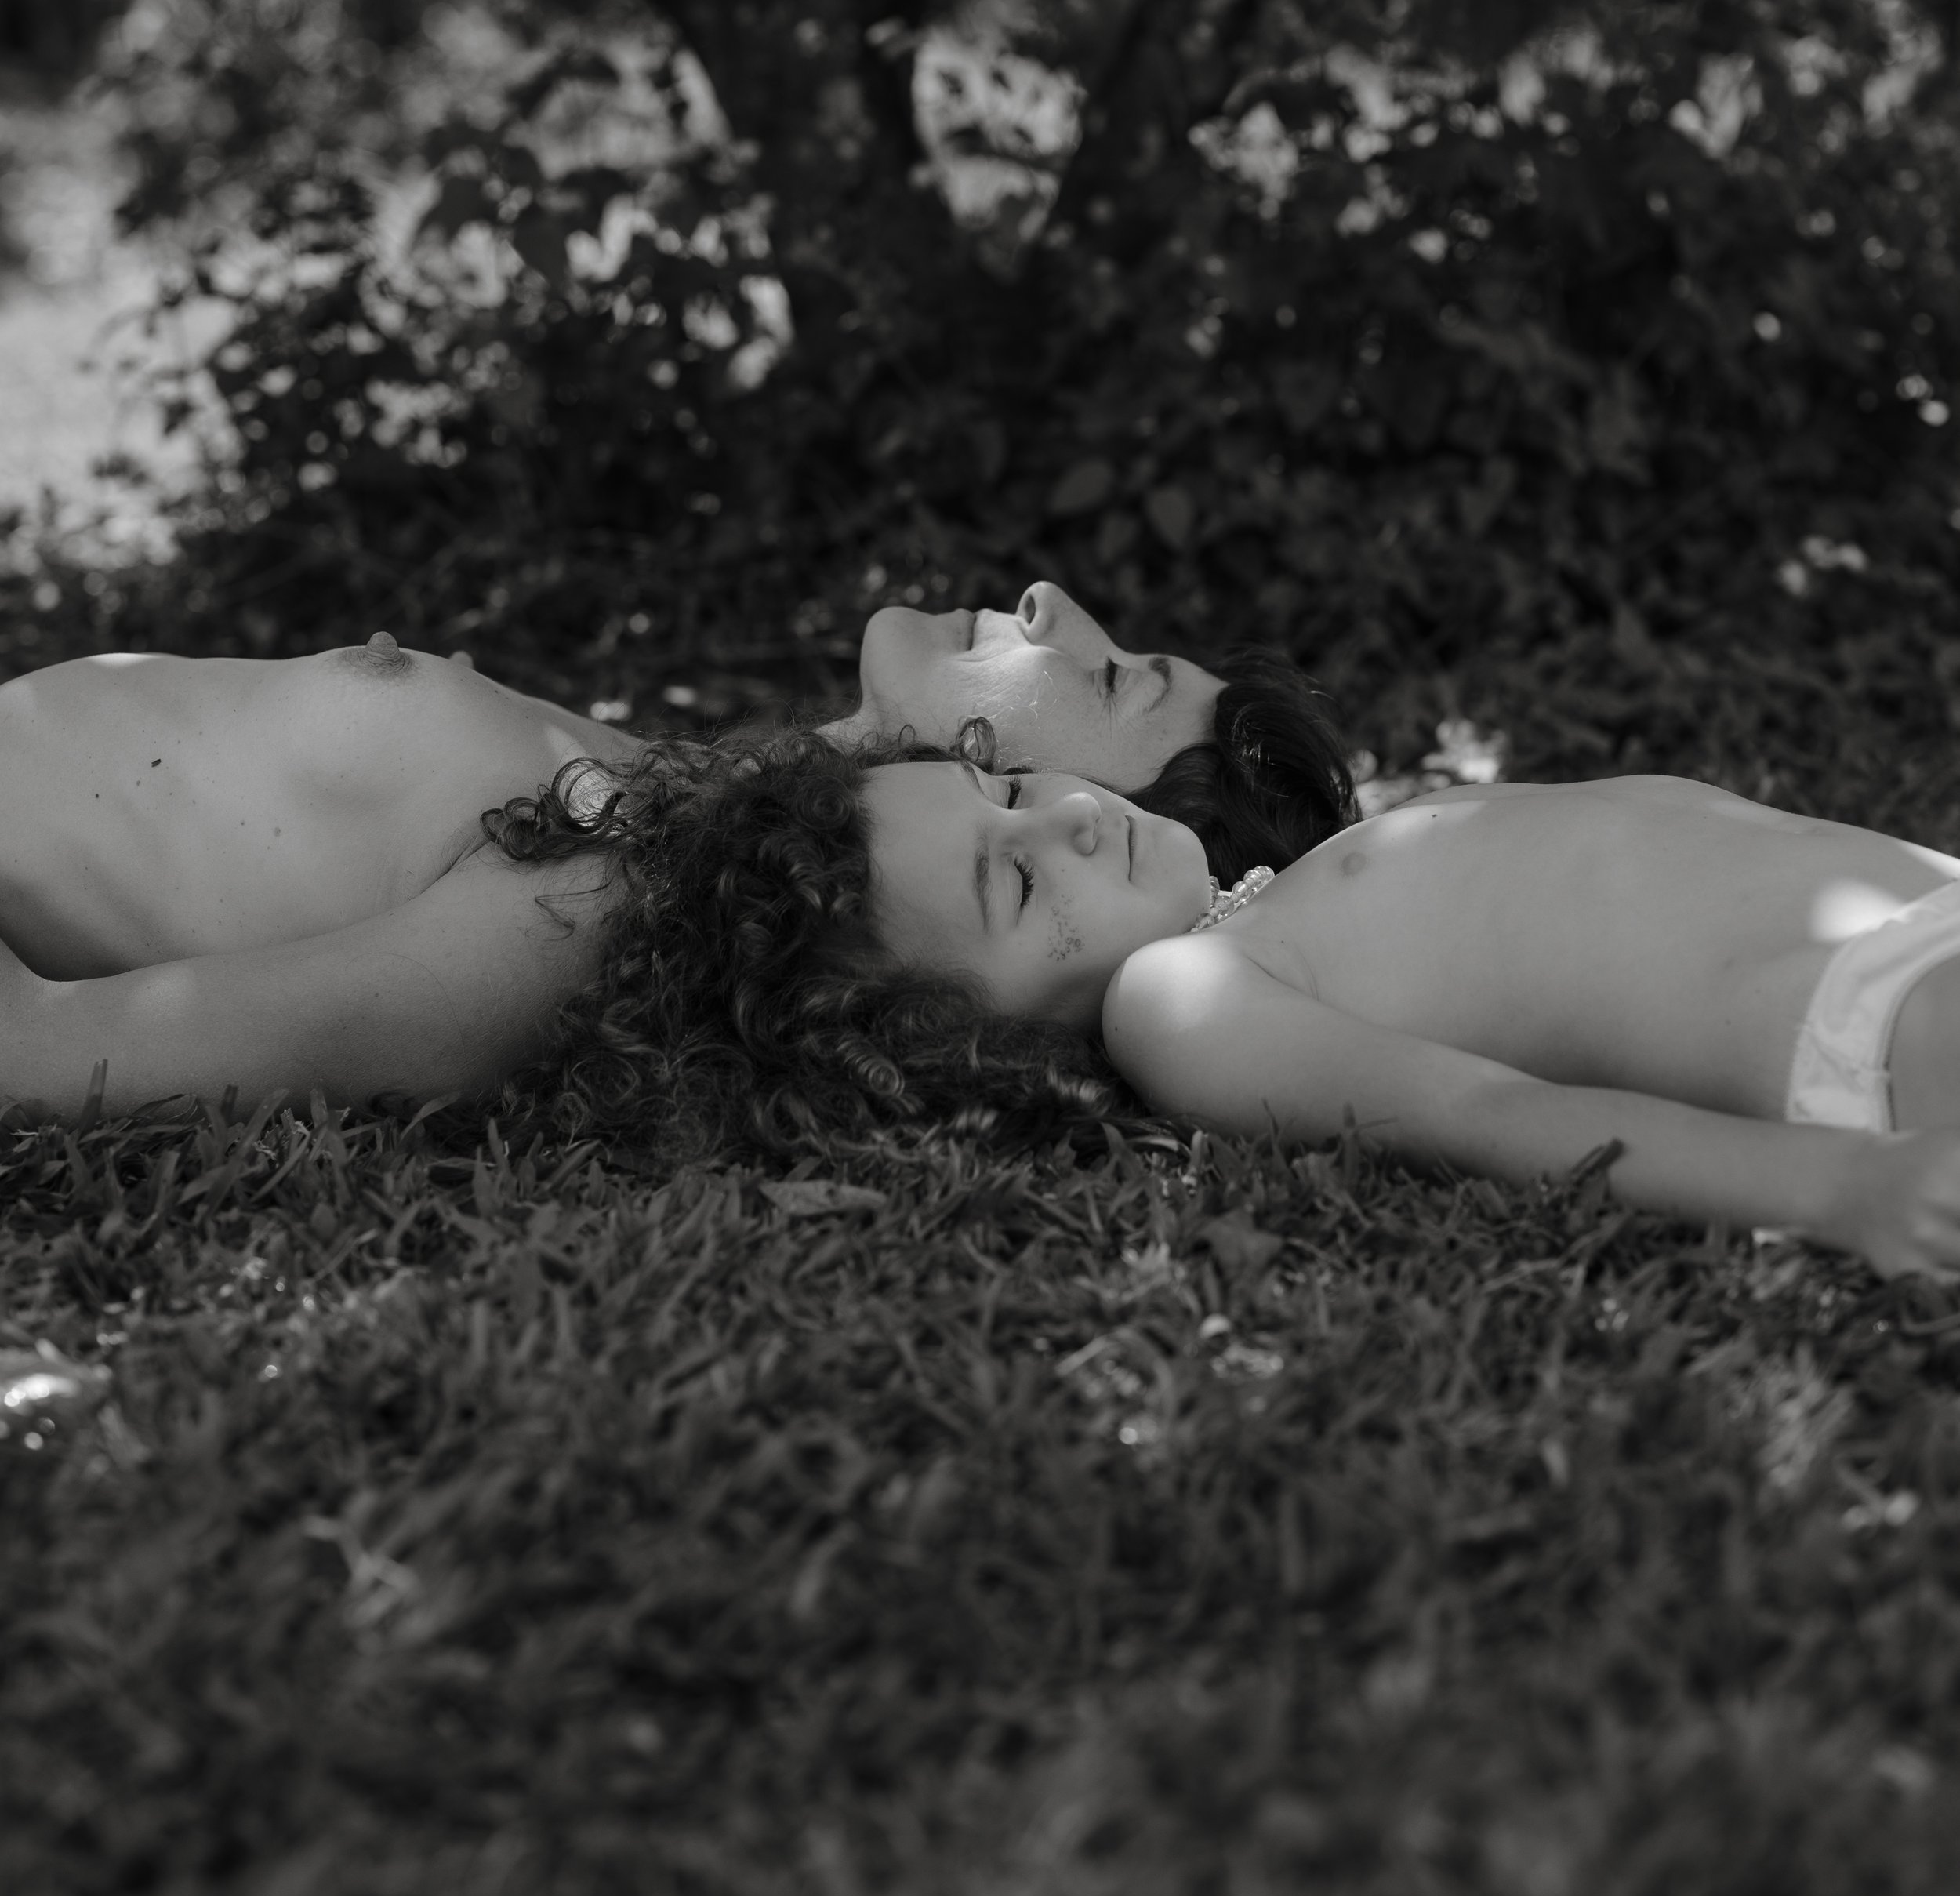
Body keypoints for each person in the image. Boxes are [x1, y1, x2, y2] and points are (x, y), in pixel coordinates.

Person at [585, 729, 1960, 1281]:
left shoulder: (1272, 899)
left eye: (1008, 795)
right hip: (1877, 1017)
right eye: (1009, 886)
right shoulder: (1178, 999)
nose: (1067, 818)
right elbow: (1487, 1113)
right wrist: (1841, 1189)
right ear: (967, 1039)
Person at [0, 587, 1348, 1119]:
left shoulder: (587, 903)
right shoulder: (652, 814)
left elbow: (48, 1050)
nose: (1056, 602)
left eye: (1108, 679)